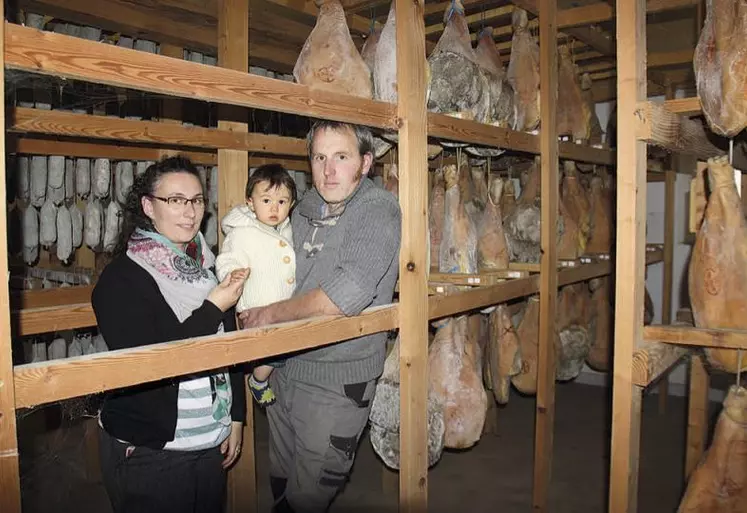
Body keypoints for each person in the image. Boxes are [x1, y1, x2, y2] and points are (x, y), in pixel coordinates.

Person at [240, 121, 402, 513]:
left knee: (307, 495)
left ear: (365, 163)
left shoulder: (377, 210)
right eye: (319, 157)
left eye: (341, 157)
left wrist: (268, 315)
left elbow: (344, 294)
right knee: (280, 478)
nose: (328, 170)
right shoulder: (304, 207)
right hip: (285, 368)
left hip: (338, 379)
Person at [91, 156, 249, 513]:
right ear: (149, 206)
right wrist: (213, 307)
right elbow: (156, 361)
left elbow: (230, 347)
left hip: (210, 440)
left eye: (196, 200)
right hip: (151, 451)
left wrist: (236, 416)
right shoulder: (120, 280)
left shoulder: (207, 268)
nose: (189, 212)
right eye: (176, 200)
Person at [216, 164, 297, 407]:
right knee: (275, 350)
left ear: (291, 204)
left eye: (282, 201)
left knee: (282, 348)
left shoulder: (286, 229)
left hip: (283, 304)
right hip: (256, 305)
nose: (274, 208)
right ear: (250, 202)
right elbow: (227, 257)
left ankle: (262, 377)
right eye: (266, 200)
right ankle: (258, 381)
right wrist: (232, 274)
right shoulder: (242, 233)